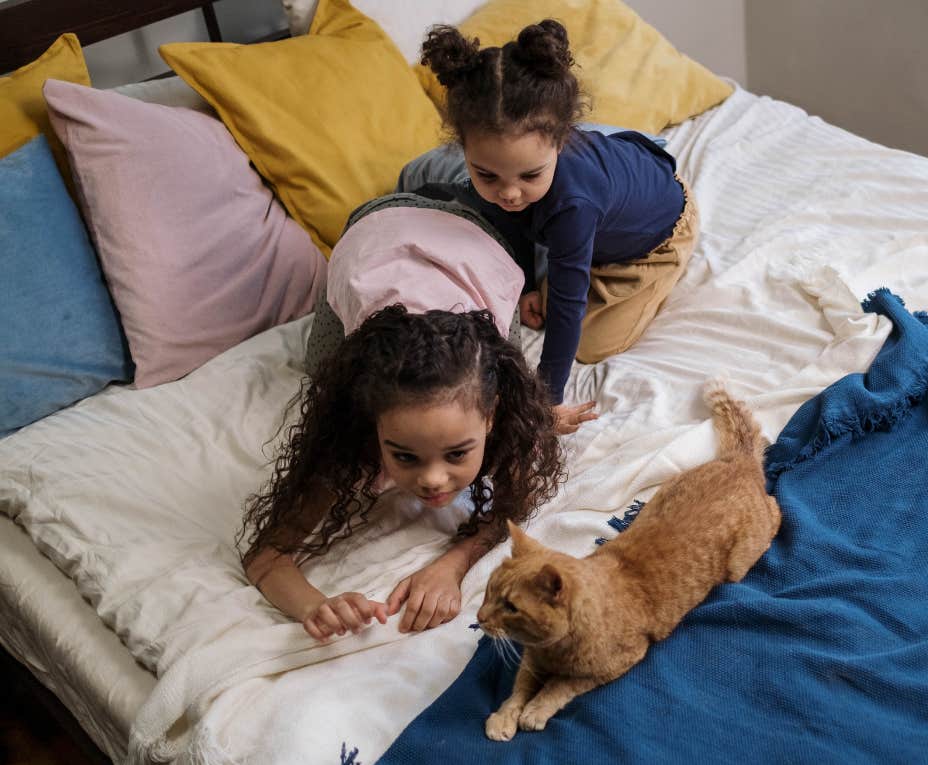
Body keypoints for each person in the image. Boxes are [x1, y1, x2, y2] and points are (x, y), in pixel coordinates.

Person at [420, 19, 700, 410]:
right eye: (486, 174)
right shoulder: (507, 185)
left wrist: (547, 402)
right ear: (464, 148)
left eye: (530, 174)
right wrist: (527, 285)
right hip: (605, 193)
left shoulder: (573, 206)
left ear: (562, 140)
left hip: (658, 233)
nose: (510, 192)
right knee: (508, 208)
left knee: (591, 343)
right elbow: (507, 218)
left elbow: (568, 306)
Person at [240, 305, 565, 641]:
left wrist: (453, 563)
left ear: (491, 416)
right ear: (373, 425)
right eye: (405, 456)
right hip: (364, 266)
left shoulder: (508, 427)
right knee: (321, 360)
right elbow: (266, 559)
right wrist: (316, 606)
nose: (433, 480)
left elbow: (515, 505)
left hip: (480, 269)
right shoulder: (353, 445)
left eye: (456, 453)